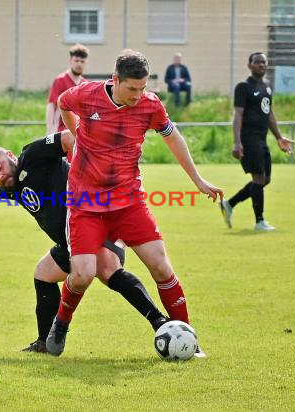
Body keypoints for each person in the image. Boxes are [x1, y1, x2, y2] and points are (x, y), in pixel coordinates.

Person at [46, 49, 223, 357]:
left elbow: (172, 137)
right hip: (86, 201)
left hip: (128, 200)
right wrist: (77, 135)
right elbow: (63, 103)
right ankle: (61, 323)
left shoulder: (150, 105)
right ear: (115, 80)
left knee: (161, 267)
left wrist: (197, 179)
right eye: (131, 89)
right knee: (82, 275)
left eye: (143, 88)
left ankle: (187, 338)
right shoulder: (87, 94)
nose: (138, 95)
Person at [0, 130, 169, 352]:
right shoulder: (12, 187)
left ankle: (159, 321)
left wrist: (88, 170)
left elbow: (68, 138)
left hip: (95, 225)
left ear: (9, 155)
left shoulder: (32, 155)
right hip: (70, 244)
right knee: (43, 274)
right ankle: (44, 342)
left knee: (106, 270)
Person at [220, 52, 294, 231]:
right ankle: (259, 221)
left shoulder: (267, 87)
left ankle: (229, 203)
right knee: (259, 178)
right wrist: (237, 142)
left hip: (262, 139)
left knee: (265, 179)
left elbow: (269, 114)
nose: (261, 65)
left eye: (264, 62)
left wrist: (279, 137)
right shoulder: (243, 87)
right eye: (257, 62)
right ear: (249, 65)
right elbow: (238, 115)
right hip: (248, 139)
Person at [46, 44, 89, 136]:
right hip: (61, 131)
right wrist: (50, 131)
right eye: (76, 60)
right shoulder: (60, 80)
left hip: (79, 133)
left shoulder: (86, 84)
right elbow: (51, 106)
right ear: (70, 61)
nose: (79, 64)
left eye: (82, 61)